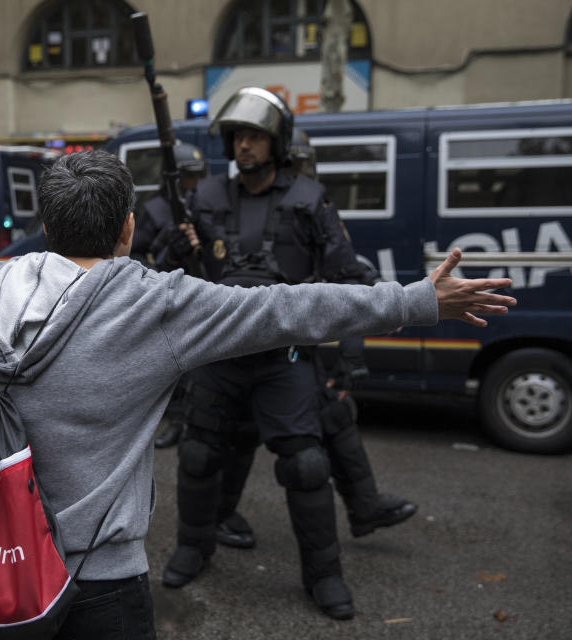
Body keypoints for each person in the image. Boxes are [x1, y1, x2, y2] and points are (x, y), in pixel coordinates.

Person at [0, 149, 514, 638]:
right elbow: (289, 308)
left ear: (47, 226)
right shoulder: (156, 304)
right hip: (103, 585)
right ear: (128, 229)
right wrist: (419, 300)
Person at [158, 88, 415, 620]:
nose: (244, 146)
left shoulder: (309, 198)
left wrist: (350, 354)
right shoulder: (204, 197)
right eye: (238, 137)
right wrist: (173, 251)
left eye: (254, 136)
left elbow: (347, 280)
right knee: (199, 454)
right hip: (220, 353)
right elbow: (169, 275)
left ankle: (323, 576)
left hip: (286, 359)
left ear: (275, 142)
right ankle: (193, 547)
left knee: (305, 465)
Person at [129, 142, 207, 448]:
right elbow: (133, 255)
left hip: (200, 292)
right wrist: (162, 255)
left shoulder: (205, 206)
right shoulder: (155, 210)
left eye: (199, 178)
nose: (195, 185)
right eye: (189, 179)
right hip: (168, 297)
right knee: (174, 364)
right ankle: (175, 421)